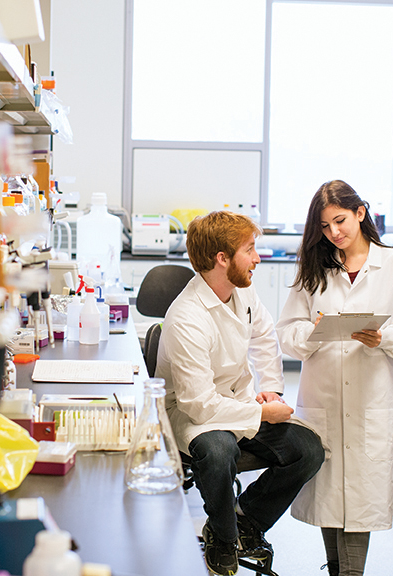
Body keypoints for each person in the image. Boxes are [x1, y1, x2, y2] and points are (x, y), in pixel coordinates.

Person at [155, 210, 325, 576]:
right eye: (250, 249)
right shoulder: (187, 316)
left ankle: (246, 519)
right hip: (192, 416)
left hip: (239, 404)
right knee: (219, 450)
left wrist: (271, 391)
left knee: (308, 449)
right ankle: (222, 535)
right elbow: (198, 405)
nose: (258, 258)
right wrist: (262, 415)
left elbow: (266, 340)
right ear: (222, 258)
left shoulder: (242, 294)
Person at [274, 180, 393, 576]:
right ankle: (337, 570)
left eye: (340, 221)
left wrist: (383, 337)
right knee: (329, 491)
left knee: (361, 494)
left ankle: (350, 573)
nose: (334, 233)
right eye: (325, 227)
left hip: (373, 397)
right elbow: (287, 332)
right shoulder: (315, 268)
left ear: (361, 213)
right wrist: (313, 332)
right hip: (324, 395)